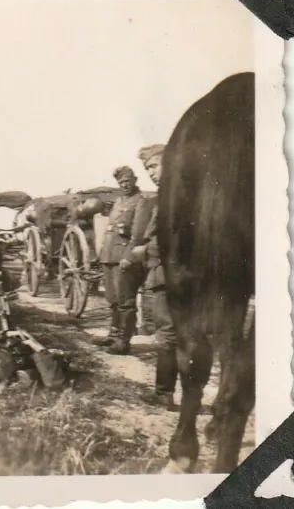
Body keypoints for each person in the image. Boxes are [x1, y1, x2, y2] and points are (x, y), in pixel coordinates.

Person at [126, 144, 178, 409]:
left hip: (169, 277)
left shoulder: (175, 195)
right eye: (147, 169)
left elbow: (175, 240)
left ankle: (164, 394)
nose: (151, 173)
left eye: (154, 166)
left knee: (167, 336)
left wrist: (143, 250)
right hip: (175, 275)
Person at [94, 165, 144, 355]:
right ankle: (114, 334)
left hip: (123, 258)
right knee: (113, 299)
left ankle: (124, 341)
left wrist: (128, 257)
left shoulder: (140, 202)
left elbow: (137, 235)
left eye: (127, 181)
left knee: (125, 301)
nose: (124, 185)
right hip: (109, 257)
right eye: (121, 182)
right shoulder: (119, 201)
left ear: (135, 181)